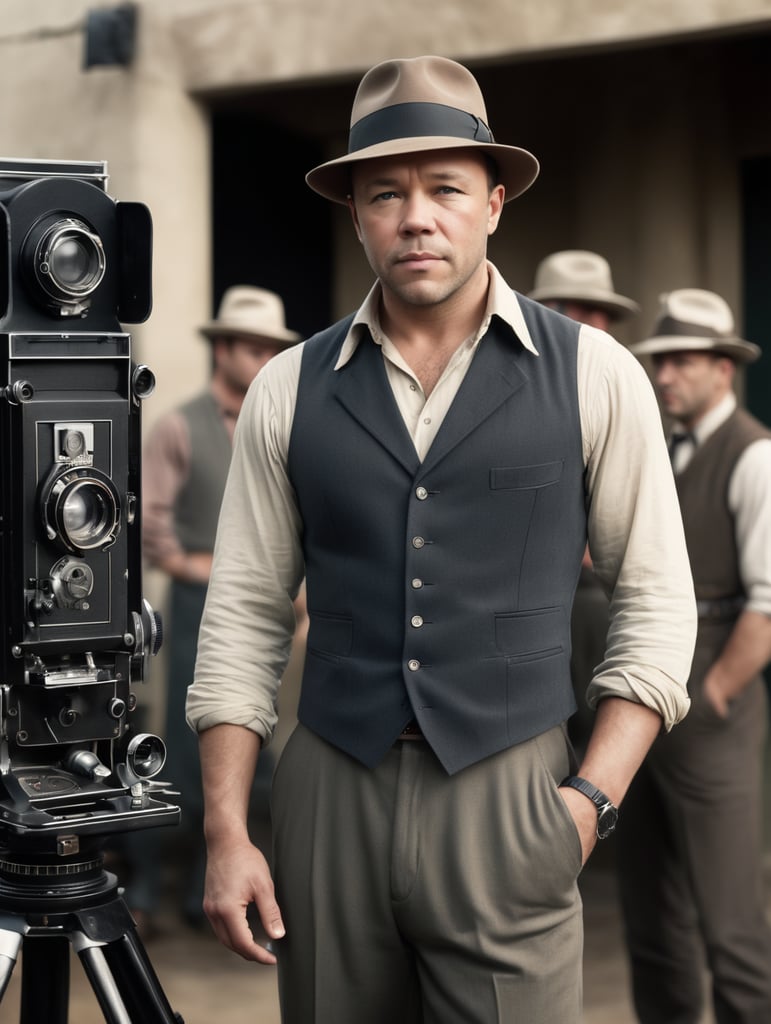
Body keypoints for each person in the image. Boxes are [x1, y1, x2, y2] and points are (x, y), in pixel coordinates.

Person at [186, 55, 696, 1023]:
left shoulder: (597, 373)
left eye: (446, 189)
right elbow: (245, 612)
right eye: (387, 193)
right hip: (331, 789)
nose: (417, 215)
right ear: (358, 215)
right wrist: (226, 829)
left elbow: (658, 603)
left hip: (515, 793)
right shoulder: (287, 389)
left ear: (494, 203)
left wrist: (588, 802)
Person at [619, 288, 771, 1024]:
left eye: (681, 361)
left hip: (710, 701)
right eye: (659, 361)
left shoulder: (753, 455)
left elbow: (768, 604)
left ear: (723, 369)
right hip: (647, 697)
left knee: (729, 920)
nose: (665, 375)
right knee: (651, 914)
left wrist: (712, 693)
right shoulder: (662, 447)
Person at [127, 286, 301, 931]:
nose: (260, 359)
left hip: (276, 606)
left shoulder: (283, 420)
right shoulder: (181, 424)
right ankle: (148, 891)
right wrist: (204, 568)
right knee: (181, 745)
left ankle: (221, 887)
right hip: (199, 599)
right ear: (222, 349)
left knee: (262, 750)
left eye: (268, 349)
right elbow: (147, 524)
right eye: (250, 346)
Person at [529, 250, 639, 749]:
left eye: (601, 312)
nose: (593, 323)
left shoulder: (624, 390)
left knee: (603, 744)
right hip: (524, 602)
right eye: (576, 308)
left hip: (598, 593)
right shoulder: (520, 390)